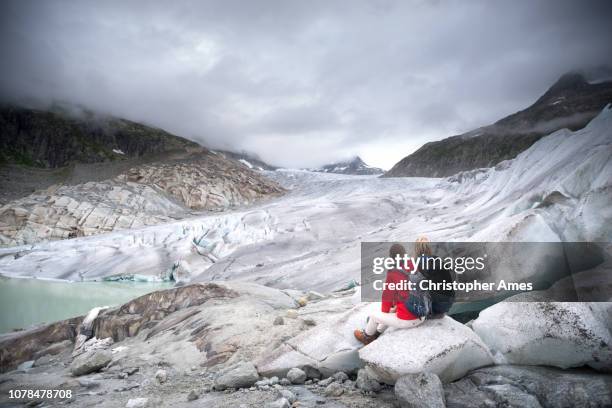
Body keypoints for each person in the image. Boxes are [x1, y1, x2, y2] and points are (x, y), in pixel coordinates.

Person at [354, 242, 425, 345]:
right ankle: (377, 334)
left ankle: (367, 337)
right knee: (393, 311)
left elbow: (387, 299)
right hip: (421, 315)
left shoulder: (393, 273)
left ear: (391, 257)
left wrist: (384, 313)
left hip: (409, 320)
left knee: (374, 316)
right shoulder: (414, 264)